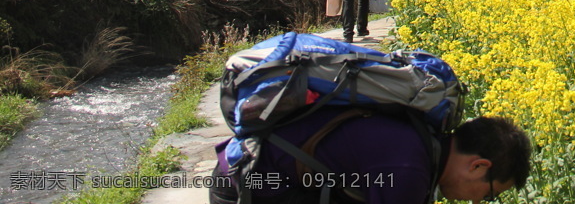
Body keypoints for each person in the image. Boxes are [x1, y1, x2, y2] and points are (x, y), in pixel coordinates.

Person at [210, 113, 531, 204]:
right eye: (488, 195)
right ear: (478, 166)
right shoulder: (409, 169)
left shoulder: (423, 145)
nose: (477, 203)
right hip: (245, 185)